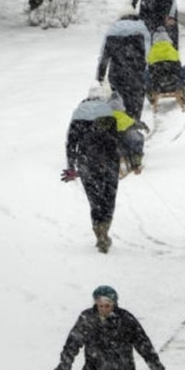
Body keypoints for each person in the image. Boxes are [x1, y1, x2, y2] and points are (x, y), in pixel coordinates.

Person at [62, 90, 123, 252]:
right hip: (110, 161)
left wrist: (71, 167)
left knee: (95, 200)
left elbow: (71, 143)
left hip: (86, 162)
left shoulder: (78, 115)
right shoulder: (108, 113)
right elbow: (116, 139)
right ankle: (105, 229)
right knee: (108, 197)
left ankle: (99, 234)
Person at [96, 10, 151, 121]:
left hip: (116, 73)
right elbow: (149, 54)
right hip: (137, 73)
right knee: (135, 102)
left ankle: (119, 126)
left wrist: (100, 75)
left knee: (119, 101)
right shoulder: (142, 29)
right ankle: (134, 125)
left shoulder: (112, 31)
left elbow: (104, 56)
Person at [146, 34, 185, 110]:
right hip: (175, 84)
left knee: (144, 73)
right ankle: (184, 91)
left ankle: (150, 96)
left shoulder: (151, 53)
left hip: (157, 86)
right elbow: (178, 68)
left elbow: (150, 70)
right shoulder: (173, 51)